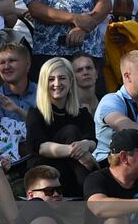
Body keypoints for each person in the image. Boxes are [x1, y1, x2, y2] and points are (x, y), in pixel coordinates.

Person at [27, 57, 98, 197]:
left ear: (71, 81)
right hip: (45, 170)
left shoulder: (82, 113)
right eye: (51, 79)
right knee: (70, 131)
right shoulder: (35, 113)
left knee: (72, 132)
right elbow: (41, 147)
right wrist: (79, 152)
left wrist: (85, 144)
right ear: (44, 83)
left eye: (62, 78)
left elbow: (92, 141)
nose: (57, 83)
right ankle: (91, 196)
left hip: (72, 169)